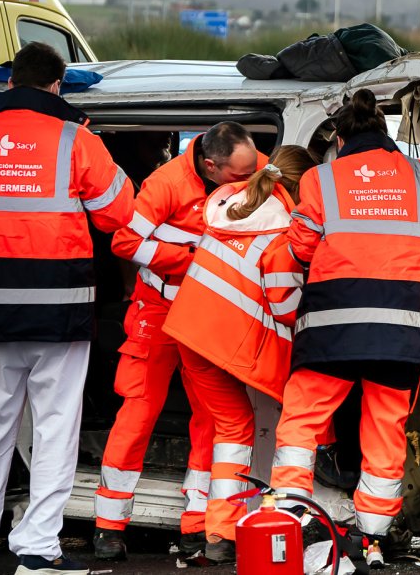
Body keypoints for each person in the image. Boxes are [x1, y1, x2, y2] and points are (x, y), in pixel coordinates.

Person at [0, 41, 134, 575]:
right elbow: (119, 212)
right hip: (58, 306)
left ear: (12, 83)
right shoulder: (76, 138)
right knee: (54, 427)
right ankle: (36, 550)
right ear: (55, 85)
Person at [270, 89, 420, 567]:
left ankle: (289, 521)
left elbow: (299, 246)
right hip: (401, 330)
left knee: (301, 422)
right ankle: (370, 538)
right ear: (387, 134)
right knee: (385, 429)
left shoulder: (319, 179)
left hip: (333, 327)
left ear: (339, 137)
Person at [93, 121, 263, 560]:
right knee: (139, 409)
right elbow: (125, 241)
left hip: (209, 312)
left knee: (211, 417)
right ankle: (108, 526)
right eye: (237, 177)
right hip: (159, 309)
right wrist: (188, 260)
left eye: (251, 173)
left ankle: (198, 527)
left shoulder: (249, 166)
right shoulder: (166, 183)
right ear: (210, 165)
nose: (247, 184)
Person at [162, 145, 316, 563]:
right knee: (234, 430)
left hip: (189, 333)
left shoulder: (230, 208)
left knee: (230, 426)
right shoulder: (283, 233)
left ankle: (218, 534)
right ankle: (221, 531)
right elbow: (285, 305)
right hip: (222, 339)